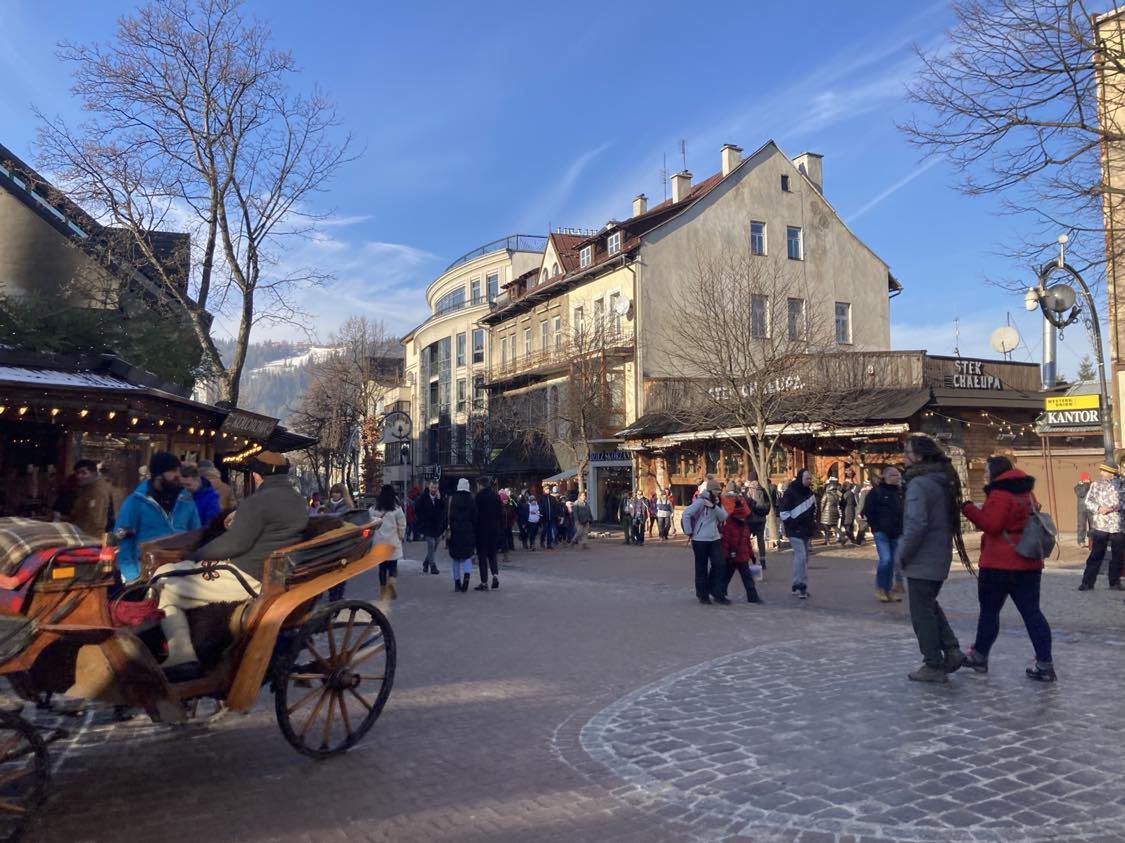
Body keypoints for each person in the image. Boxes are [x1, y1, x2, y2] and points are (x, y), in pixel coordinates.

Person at [153, 451, 307, 681]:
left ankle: (182, 655)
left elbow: (235, 543)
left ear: (256, 475)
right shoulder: (297, 500)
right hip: (271, 574)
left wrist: (196, 554)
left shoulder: (258, 501)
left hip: (244, 576)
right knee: (172, 582)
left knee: (163, 581)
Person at [960, 457, 1056, 682]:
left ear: (994, 472)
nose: (984, 474)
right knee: (1033, 614)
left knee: (989, 613)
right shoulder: (1026, 492)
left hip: (999, 564)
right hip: (1028, 562)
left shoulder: (1000, 494)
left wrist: (968, 508)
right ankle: (1045, 664)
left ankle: (980, 656)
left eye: (986, 470)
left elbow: (992, 526)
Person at [896, 433, 965, 684]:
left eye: (907, 452)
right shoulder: (941, 480)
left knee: (921, 613)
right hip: (939, 554)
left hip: (923, 558)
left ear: (919, 455)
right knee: (930, 606)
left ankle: (933, 663)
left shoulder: (919, 484)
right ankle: (952, 649)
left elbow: (916, 525)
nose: (904, 457)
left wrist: (902, 555)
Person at [113, 452, 201, 583]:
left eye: (178, 470)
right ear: (159, 474)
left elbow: (197, 535)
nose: (178, 475)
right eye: (172, 470)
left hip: (183, 574)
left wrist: (196, 568)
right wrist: (132, 576)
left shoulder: (186, 500)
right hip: (146, 574)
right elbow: (123, 541)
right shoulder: (135, 502)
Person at [681, 480, 730, 605]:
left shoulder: (718, 502)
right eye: (716, 490)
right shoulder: (700, 501)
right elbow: (686, 514)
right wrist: (689, 531)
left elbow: (723, 517)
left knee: (719, 564)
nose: (718, 492)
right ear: (710, 490)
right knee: (701, 568)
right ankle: (703, 595)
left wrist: (714, 507)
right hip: (700, 539)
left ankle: (717, 592)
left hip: (714, 538)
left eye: (719, 490)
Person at [1079, 463, 1125, 591]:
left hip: (1118, 525)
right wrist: (1099, 508)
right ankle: (1087, 582)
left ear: (1111, 472)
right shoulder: (1096, 485)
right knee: (1096, 554)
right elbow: (1088, 501)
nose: (1101, 473)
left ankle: (1114, 582)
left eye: (1103, 471)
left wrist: (1120, 506)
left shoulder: (1122, 484)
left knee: (1117, 556)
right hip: (1101, 525)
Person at [863, 466, 905, 603]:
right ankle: (880, 588)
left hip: (897, 532)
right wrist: (875, 526)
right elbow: (868, 510)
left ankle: (888, 590)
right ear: (886, 477)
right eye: (894, 475)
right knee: (885, 559)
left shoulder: (900, 492)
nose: (897, 477)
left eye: (898, 475)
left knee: (893, 561)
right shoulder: (877, 492)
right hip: (881, 532)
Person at [720, 490, 764, 604]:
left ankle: (753, 597)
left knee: (747, 578)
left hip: (742, 556)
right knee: (726, 577)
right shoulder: (729, 526)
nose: (744, 519)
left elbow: (747, 542)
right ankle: (721, 594)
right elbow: (726, 543)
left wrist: (751, 555)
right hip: (732, 556)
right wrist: (726, 556)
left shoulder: (743, 526)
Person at [779, 469, 816, 599]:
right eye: (807, 478)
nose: (809, 481)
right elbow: (783, 511)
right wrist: (791, 524)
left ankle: (795, 583)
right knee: (801, 557)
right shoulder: (790, 492)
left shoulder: (810, 494)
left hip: (806, 530)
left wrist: (813, 527)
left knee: (802, 558)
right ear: (800, 478)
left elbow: (813, 513)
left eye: (810, 479)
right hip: (794, 530)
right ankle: (801, 586)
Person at [369, 484, 405, 601]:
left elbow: (370, 525)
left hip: (379, 542)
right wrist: (401, 536)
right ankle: (392, 582)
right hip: (392, 541)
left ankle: (382, 590)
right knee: (393, 565)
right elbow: (402, 525)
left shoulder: (373, 510)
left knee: (382, 568)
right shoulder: (397, 510)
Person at [66, 459, 112, 539]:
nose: (80, 476)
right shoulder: (86, 487)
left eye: (84, 473)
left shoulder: (98, 490)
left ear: (94, 473)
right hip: (82, 534)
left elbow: (97, 521)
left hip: (90, 537)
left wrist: (87, 539)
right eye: (77, 473)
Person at [447, 478, 477, 593]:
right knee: (467, 556)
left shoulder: (452, 499)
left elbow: (448, 516)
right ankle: (467, 576)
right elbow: (475, 517)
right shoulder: (471, 499)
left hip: (455, 531)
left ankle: (457, 583)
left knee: (455, 558)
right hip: (468, 531)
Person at [474, 477, 503, 590]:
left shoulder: (479, 497)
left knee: (482, 557)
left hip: (482, 531)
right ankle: (495, 575)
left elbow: (476, 515)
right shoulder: (496, 496)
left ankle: (484, 582)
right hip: (494, 530)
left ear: (481, 485)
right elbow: (499, 513)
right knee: (492, 555)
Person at [415, 481, 445, 574]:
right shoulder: (423, 498)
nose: (434, 490)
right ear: (429, 487)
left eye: (435, 488)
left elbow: (442, 512)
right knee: (431, 544)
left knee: (435, 544)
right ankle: (432, 566)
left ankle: (426, 562)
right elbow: (418, 511)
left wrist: (439, 500)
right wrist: (421, 523)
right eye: (432, 487)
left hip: (437, 527)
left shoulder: (439, 498)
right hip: (427, 526)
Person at [744, 473, 771, 567]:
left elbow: (744, 504)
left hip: (750, 519)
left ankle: (746, 560)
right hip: (761, 519)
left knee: (746, 540)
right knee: (760, 540)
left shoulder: (747, 491)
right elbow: (768, 504)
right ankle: (763, 560)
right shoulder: (762, 490)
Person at [854, 478, 873, 546]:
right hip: (866, 512)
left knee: (863, 527)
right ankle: (858, 541)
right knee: (864, 527)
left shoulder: (863, 491)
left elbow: (861, 502)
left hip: (864, 511)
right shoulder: (867, 491)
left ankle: (859, 541)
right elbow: (862, 503)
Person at [839, 479, 858, 545]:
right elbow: (855, 503)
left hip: (847, 511)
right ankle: (850, 539)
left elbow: (842, 503)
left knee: (847, 526)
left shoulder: (846, 494)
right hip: (851, 510)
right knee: (849, 526)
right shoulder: (850, 493)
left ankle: (851, 539)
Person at [1075, 471, 1091, 547]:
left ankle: (1092, 541)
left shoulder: (1093, 485)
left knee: (1093, 526)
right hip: (1082, 509)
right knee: (1081, 525)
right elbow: (1081, 493)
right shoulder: (1077, 486)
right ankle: (1081, 541)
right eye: (1086, 478)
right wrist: (1086, 484)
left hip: (1091, 508)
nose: (1088, 479)